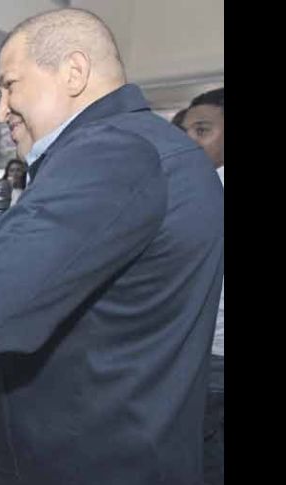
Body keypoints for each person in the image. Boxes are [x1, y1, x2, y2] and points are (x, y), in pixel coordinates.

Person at [0, 8, 224, 484]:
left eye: (9, 86)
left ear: (74, 72)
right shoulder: (168, 152)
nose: (1, 110)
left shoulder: (113, 150)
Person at [184, 87, 224, 485]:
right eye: (186, 132)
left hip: (211, 354)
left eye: (202, 131)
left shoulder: (206, 189)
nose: (190, 142)